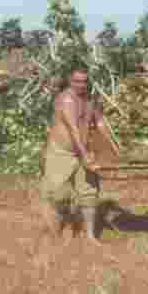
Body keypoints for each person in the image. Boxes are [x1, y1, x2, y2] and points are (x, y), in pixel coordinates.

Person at [38, 65, 114, 243]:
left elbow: (100, 122)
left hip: (84, 151)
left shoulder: (90, 100)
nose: (81, 85)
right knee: (57, 193)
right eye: (77, 81)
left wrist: (112, 146)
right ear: (70, 81)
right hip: (61, 152)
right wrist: (85, 155)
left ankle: (90, 236)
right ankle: (58, 231)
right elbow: (73, 129)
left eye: (84, 81)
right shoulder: (66, 100)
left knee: (89, 193)